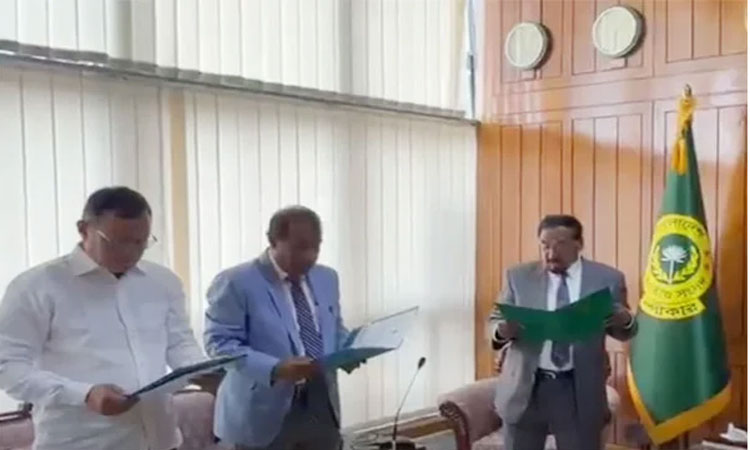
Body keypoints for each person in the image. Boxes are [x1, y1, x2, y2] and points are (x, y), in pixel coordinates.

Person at [0, 187, 207, 450]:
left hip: (160, 439)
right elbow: (9, 367)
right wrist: (85, 394)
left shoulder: (162, 281)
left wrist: (203, 371)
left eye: (140, 242)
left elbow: (180, 344)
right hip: (83, 442)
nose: (130, 253)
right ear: (83, 229)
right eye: (117, 242)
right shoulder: (36, 286)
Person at [204, 206, 356, 450]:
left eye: (316, 246)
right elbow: (220, 344)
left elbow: (333, 327)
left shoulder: (327, 277)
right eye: (300, 247)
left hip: (321, 402)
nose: (310, 256)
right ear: (273, 241)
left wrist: (350, 349)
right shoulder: (236, 282)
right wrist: (275, 369)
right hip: (261, 409)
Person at [489, 215, 637, 450]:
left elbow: (624, 332)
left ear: (579, 244)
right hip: (526, 388)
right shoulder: (518, 277)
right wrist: (502, 330)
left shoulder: (607, 279)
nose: (551, 253)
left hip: (578, 389)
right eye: (545, 245)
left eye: (560, 244)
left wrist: (624, 319)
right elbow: (495, 320)